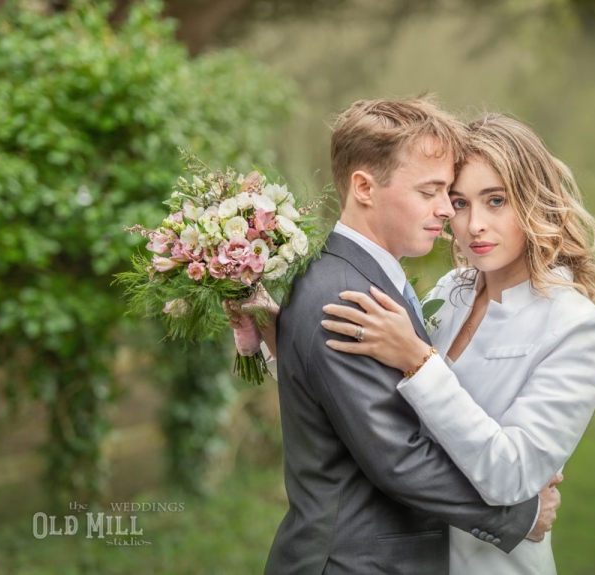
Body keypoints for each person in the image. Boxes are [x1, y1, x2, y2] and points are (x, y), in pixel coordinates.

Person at [230, 98, 561, 575]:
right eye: (430, 191)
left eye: (448, 192)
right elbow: (397, 459)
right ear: (364, 187)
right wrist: (518, 515)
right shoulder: (345, 294)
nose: (447, 209)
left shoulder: (365, 278)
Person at [319, 113, 595, 574]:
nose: (474, 224)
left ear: (534, 201)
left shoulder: (577, 327)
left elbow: (511, 475)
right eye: (458, 203)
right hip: (409, 556)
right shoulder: (450, 290)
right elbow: (369, 388)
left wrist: (419, 361)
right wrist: (281, 339)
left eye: (495, 201)